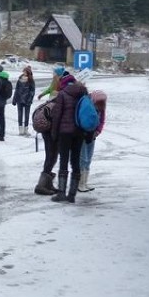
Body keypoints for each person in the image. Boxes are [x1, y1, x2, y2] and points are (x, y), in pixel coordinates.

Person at [49, 73, 87, 203]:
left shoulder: (63, 94)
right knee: (75, 161)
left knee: (63, 160)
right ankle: (72, 195)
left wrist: (54, 133)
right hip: (79, 132)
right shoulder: (84, 93)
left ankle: (61, 193)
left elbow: (57, 116)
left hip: (64, 132)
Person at [78, 90, 107, 192]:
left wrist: (98, 131)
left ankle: (84, 182)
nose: (101, 104)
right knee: (83, 158)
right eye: (99, 102)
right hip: (83, 135)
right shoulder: (87, 106)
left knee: (88, 159)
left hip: (92, 135)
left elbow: (102, 120)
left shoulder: (101, 107)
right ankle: (80, 183)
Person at [12, 65, 36, 136]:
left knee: (27, 115)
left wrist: (29, 99)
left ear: (28, 72)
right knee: (20, 115)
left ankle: (26, 129)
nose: (24, 72)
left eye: (25, 71)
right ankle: (20, 130)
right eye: (24, 71)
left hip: (27, 100)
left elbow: (32, 91)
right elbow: (16, 90)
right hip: (19, 99)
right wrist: (14, 99)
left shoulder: (31, 80)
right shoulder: (19, 80)